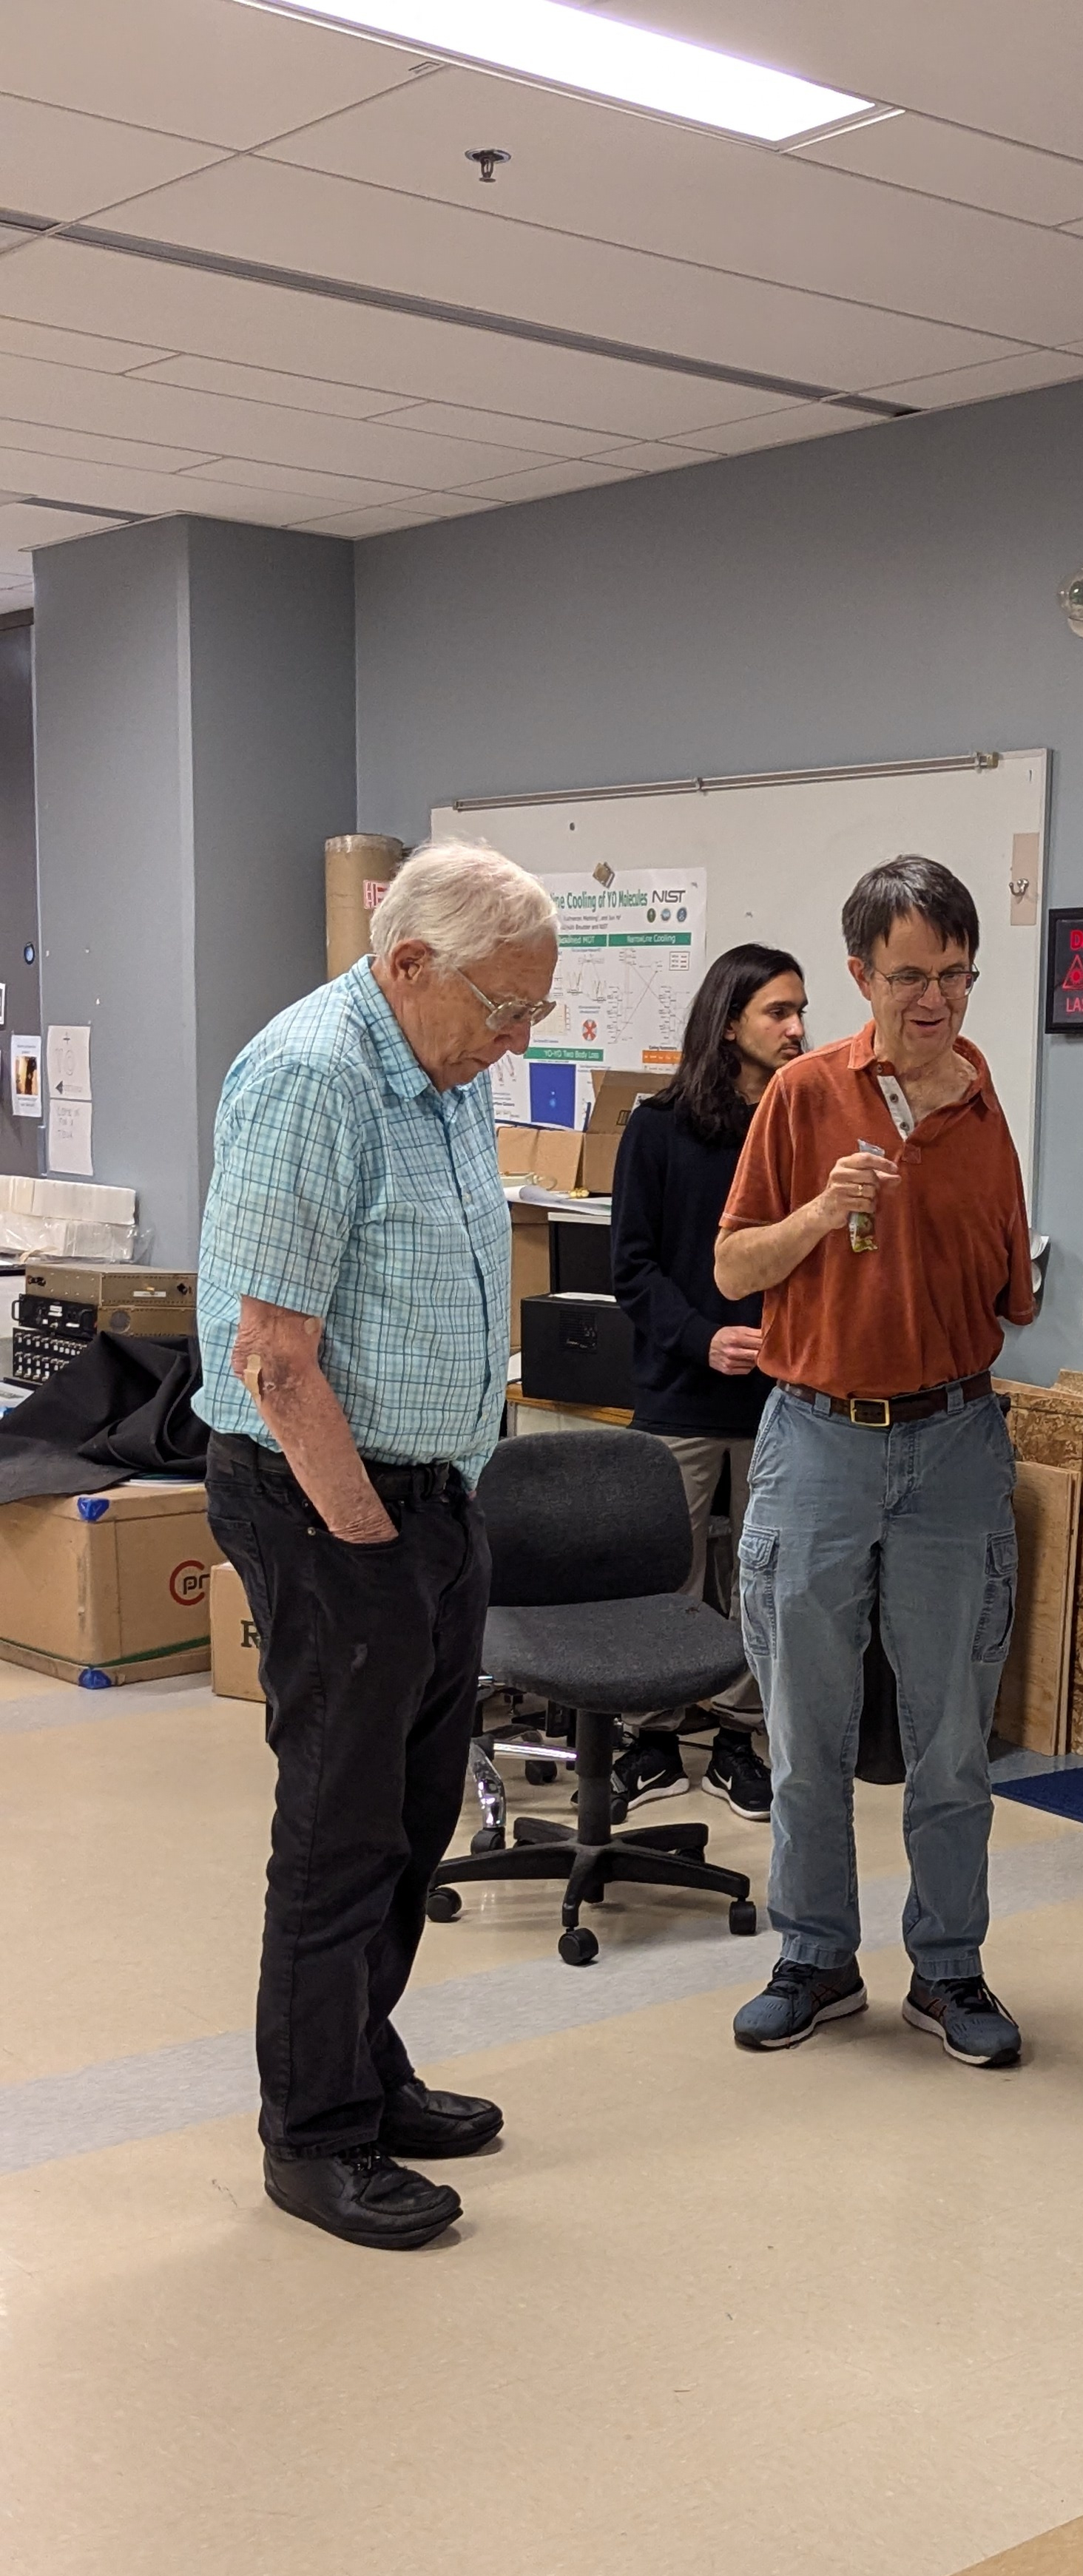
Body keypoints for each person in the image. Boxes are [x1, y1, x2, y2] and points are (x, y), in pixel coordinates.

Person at [197, 841, 560, 2252]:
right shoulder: (313, 1079)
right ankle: (316, 2133)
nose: (517, 1038)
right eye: (504, 1007)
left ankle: (368, 2057)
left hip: (432, 1501)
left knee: (414, 1823)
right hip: (327, 1503)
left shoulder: (446, 1067)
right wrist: (366, 1541)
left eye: (535, 1012)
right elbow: (274, 1359)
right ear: (408, 965)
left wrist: (438, 1519)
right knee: (341, 1831)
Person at [715, 853, 1034, 2069]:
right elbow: (733, 1269)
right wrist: (815, 1215)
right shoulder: (800, 1094)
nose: (935, 1001)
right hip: (816, 1438)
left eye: (954, 975)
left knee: (952, 1733)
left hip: (953, 1440)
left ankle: (948, 1969)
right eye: (909, 977)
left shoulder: (981, 1092)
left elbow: (1007, 1293)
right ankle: (813, 1958)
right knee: (806, 1724)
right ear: (859, 973)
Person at [609, 943, 808, 1823]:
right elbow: (634, 1267)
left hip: (786, 1398)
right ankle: (649, 1736)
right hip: (683, 1392)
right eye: (779, 1012)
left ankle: (738, 1736)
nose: (798, 1027)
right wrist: (703, 1338)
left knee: (765, 1577)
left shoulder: (807, 1125)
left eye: (802, 1010)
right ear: (730, 1023)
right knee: (668, 1570)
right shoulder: (658, 1128)